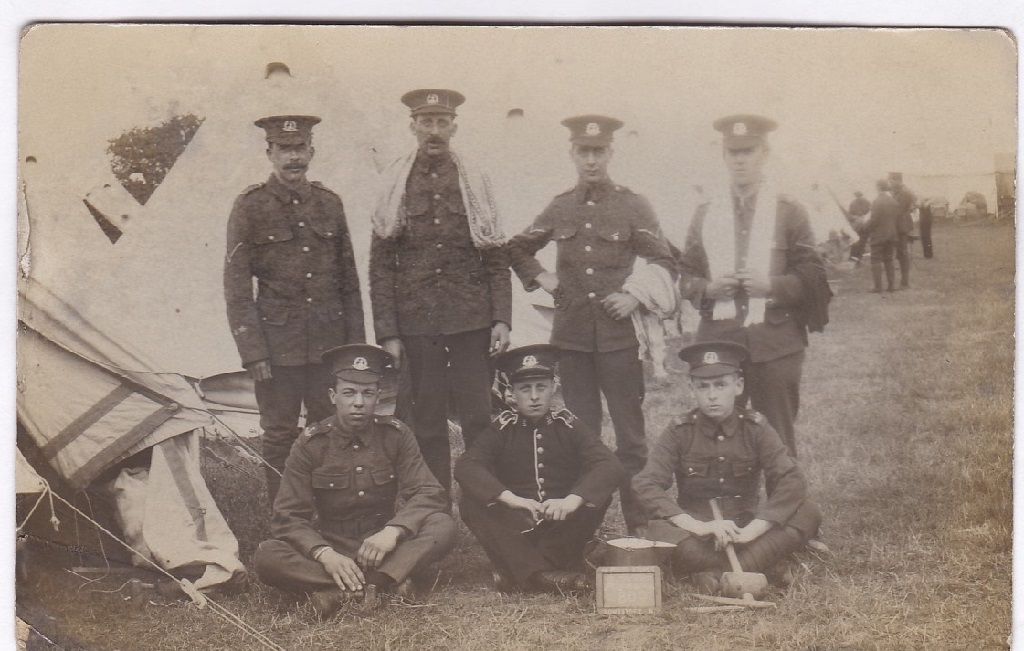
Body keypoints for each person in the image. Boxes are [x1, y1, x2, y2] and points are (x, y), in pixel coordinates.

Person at [508, 115, 676, 536]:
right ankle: (582, 527)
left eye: (598, 151)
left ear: (610, 153)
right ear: (572, 153)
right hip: (572, 339)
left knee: (631, 437)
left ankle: (641, 525)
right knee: (581, 437)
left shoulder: (633, 204)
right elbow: (517, 247)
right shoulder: (560, 205)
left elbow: (665, 258)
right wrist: (543, 278)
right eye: (583, 151)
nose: (591, 160)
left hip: (619, 340)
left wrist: (634, 295)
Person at [369, 88, 511, 497]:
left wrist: (501, 317)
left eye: (441, 122)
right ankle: (434, 507)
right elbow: (380, 263)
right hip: (417, 322)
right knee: (426, 418)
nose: (434, 130)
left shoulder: (475, 180)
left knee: (479, 417)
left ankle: (484, 501)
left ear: (454, 126)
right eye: (426, 122)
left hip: (472, 320)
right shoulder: (394, 183)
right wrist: (388, 332)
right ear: (412, 126)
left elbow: (496, 254)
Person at [253, 344, 457, 617]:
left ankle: (342, 592)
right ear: (333, 396)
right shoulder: (310, 443)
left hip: (384, 546)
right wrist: (324, 554)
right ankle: (384, 584)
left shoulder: (396, 435)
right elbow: (287, 516)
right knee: (267, 555)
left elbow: (429, 492)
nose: (358, 402)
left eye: (367, 392)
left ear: (378, 396)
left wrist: (393, 532)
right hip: (333, 546)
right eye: (349, 392)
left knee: (442, 525)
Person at [224, 115, 365, 505]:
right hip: (277, 346)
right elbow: (236, 287)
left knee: (330, 428)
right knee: (280, 433)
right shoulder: (250, 207)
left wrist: (355, 349)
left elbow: (349, 282)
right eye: (284, 150)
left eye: (299, 148)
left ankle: (331, 511)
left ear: (312, 151)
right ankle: (285, 516)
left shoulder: (329, 204)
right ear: (269, 153)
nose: (293, 158)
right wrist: (253, 352)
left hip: (328, 345)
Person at [673, 114, 830, 459]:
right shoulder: (705, 212)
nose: (741, 159)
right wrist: (709, 288)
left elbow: (814, 277)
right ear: (724, 157)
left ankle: (783, 512)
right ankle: (734, 513)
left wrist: (770, 286)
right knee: (719, 442)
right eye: (733, 152)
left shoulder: (789, 211)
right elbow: (685, 276)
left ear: (765, 153)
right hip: (719, 342)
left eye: (749, 151)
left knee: (778, 441)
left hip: (775, 343)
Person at [632, 341, 821, 593]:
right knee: (657, 528)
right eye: (703, 386)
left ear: (738, 386)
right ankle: (762, 565)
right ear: (692, 389)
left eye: (721, 385)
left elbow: (791, 479)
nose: (712, 395)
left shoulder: (755, 427)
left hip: (746, 524)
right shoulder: (679, 430)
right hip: (698, 531)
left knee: (808, 512)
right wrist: (697, 526)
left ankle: (713, 574)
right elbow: (645, 483)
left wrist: (752, 531)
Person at [455, 344, 626, 594]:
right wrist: (512, 500)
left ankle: (519, 572)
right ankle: (547, 576)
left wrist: (570, 501)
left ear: (553, 388)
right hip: (516, 526)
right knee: (471, 500)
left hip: (562, 524)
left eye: (541, 387)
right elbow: (466, 466)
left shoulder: (568, 424)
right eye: (525, 389)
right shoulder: (502, 428)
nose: (534, 396)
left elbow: (610, 465)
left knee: (596, 496)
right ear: (510, 393)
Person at [866, 179, 899, 293]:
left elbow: (874, 220)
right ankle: (891, 286)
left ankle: (878, 287)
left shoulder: (877, 201)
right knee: (888, 260)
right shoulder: (893, 201)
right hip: (891, 234)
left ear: (878, 187)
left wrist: (865, 227)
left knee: (875, 260)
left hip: (879, 235)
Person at [889, 172, 916, 289]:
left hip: (901, 227)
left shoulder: (904, 194)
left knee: (902, 254)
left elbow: (898, 210)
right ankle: (901, 282)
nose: (890, 183)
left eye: (891, 180)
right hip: (895, 226)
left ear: (898, 181)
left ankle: (905, 282)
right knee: (899, 254)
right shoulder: (894, 193)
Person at [847, 190, 871, 264]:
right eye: (857, 196)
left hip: (864, 225)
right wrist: (854, 217)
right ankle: (854, 258)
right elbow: (849, 216)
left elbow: (870, 212)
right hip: (857, 225)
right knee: (857, 241)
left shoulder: (866, 202)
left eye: (859, 196)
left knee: (862, 241)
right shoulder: (853, 203)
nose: (858, 197)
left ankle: (858, 258)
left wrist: (864, 217)